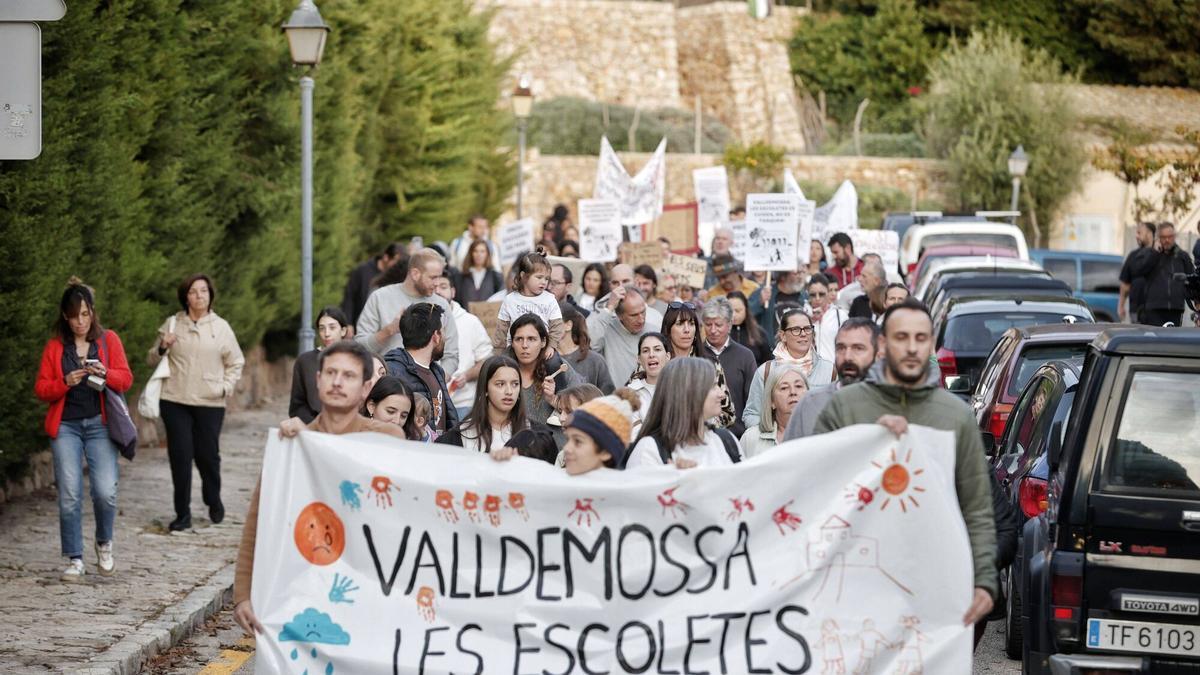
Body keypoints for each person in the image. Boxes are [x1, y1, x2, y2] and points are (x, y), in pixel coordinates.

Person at [813, 298, 999, 626]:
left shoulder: (955, 416)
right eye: (902, 338)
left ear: (931, 345)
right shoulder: (845, 407)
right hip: (857, 579)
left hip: (932, 582)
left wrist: (984, 579)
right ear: (883, 344)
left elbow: (976, 507)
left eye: (921, 338)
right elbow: (816, 489)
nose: (912, 347)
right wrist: (868, 441)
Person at [233, 340, 405, 637]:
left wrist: (498, 468)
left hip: (367, 592)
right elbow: (258, 520)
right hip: (302, 591)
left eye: (349, 376)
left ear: (365, 389)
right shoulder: (290, 447)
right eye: (331, 373)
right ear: (318, 380)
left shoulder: (387, 438)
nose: (338, 382)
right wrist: (243, 595)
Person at [34, 278, 133, 582]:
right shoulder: (55, 347)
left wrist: (107, 372)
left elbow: (125, 379)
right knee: (69, 494)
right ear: (65, 316)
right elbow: (41, 389)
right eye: (74, 315)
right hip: (66, 427)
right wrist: (65, 382)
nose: (80, 321)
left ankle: (104, 542)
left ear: (93, 313)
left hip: (100, 425)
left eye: (85, 314)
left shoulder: (108, 341)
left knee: (105, 491)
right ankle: (75, 557)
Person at [149, 274, 244, 532]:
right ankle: (182, 513)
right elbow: (151, 360)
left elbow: (236, 362)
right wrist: (161, 347)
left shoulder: (221, 327)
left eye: (204, 291)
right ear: (185, 296)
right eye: (193, 291)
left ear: (210, 295)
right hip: (175, 399)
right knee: (179, 456)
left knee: (207, 456)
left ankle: (213, 499)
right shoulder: (172, 324)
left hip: (209, 402)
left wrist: (225, 387)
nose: (199, 295)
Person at [355, 248, 459, 375]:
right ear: (415, 274)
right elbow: (360, 347)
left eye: (439, 277)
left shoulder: (441, 305)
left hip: (427, 390)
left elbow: (451, 355)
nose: (437, 284)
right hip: (388, 388)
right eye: (433, 278)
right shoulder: (380, 298)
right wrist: (389, 331)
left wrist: (437, 383)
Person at [625, 357, 742, 469]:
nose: (722, 394)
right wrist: (678, 482)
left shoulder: (726, 440)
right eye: (712, 386)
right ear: (687, 393)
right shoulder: (648, 450)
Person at [783, 317, 879, 440]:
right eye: (841, 348)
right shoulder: (810, 404)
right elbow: (790, 455)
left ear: (878, 354)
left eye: (858, 348)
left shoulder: (890, 404)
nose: (847, 357)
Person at [742, 307, 834, 428]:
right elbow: (751, 414)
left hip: (816, 442)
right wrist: (771, 435)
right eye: (796, 329)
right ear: (783, 335)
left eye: (807, 329)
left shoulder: (830, 370)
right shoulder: (766, 371)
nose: (803, 334)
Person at [382, 303, 457, 435]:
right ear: (436, 336)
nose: (445, 337)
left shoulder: (437, 371)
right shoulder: (392, 371)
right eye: (443, 331)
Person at [437, 355, 532, 453]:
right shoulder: (462, 434)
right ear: (485, 388)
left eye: (515, 384)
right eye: (500, 384)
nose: (509, 391)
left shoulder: (532, 432)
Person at [431, 276, 492, 420]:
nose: (438, 291)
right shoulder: (420, 321)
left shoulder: (470, 322)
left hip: (464, 405)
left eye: (443, 287)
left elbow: (486, 360)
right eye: (433, 287)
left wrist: (467, 375)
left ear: (453, 292)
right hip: (429, 405)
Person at [506, 314, 582, 427]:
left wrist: (553, 399)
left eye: (531, 339)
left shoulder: (559, 368)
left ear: (543, 342)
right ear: (512, 343)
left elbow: (581, 410)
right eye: (519, 339)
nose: (525, 345)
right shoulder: (503, 371)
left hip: (556, 441)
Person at [700, 297, 758, 437]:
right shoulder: (696, 354)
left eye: (718, 325)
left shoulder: (745, 356)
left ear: (730, 324)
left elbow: (753, 400)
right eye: (708, 325)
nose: (713, 330)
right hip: (703, 434)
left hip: (738, 434)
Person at [587, 284, 663, 387]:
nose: (641, 319)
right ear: (619, 316)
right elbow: (591, 344)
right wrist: (609, 308)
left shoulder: (655, 331)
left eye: (643, 312)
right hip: (617, 398)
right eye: (634, 315)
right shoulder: (606, 330)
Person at [289, 306, 352, 424]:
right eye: (322, 328)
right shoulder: (305, 361)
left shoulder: (355, 360)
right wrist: (316, 425)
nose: (326, 333)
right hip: (314, 429)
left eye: (332, 327)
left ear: (343, 330)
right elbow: (297, 405)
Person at [494, 251, 564, 352]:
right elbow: (501, 329)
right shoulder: (510, 300)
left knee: (555, 365)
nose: (543, 282)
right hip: (514, 351)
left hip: (542, 352)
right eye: (539, 277)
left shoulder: (550, 299)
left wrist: (551, 346)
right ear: (524, 276)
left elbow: (557, 326)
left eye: (546, 278)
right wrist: (499, 352)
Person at [1131, 222, 1196, 326]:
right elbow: (1139, 271)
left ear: (1174, 237)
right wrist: (1155, 253)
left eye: (1170, 237)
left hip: (1176, 309)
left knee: (1173, 340)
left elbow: (1192, 279)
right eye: (1163, 237)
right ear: (1158, 238)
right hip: (1154, 309)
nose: (1167, 240)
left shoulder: (1182, 256)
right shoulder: (1151, 254)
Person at [740, 364, 808, 458]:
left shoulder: (821, 434)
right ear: (772, 401)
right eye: (784, 388)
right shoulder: (751, 438)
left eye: (798, 386)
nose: (793, 392)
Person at [341, 242, 404, 326]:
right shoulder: (362, 271)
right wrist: (348, 323)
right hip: (358, 325)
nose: (397, 265)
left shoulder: (397, 277)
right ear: (386, 257)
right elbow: (349, 297)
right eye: (395, 261)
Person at [559, 303, 614, 394]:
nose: (548, 326)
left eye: (553, 322)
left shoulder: (595, 361)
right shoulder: (545, 359)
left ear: (568, 325)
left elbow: (609, 399)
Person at [626, 332, 671, 434]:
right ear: (639, 359)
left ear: (668, 356)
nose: (651, 355)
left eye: (657, 349)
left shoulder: (681, 389)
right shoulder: (630, 393)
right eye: (645, 351)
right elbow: (634, 435)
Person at [1118, 221, 1155, 323]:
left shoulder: (1159, 255)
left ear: (1149, 233)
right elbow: (1125, 284)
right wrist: (1121, 306)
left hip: (1156, 311)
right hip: (1136, 310)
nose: (1136, 236)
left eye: (1139, 233)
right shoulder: (1133, 256)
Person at [808, 274, 846, 364]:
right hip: (808, 371)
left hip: (833, 371)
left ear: (828, 293)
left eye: (821, 294)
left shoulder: (840, 315)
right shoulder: (802, 315)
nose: (817, 298)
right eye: (813, 295)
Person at [727, 291, 773, 365]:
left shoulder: (759, 333)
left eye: (738, 311)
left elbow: (768, 362)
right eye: (730, 311)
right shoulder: (720, 333)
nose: (733, 315)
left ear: (746, 309)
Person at [454, 239, 504, 306]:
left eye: (482, 251)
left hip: (488, 314)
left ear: (487, 254)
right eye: (475, 251)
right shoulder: (461, 277)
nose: (479, 254)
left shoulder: (495, 277)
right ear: (471, 253)